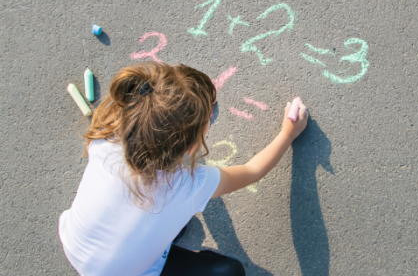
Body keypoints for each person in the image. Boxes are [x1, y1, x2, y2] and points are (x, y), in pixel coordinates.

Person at [58, 61, 308, 276]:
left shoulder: (107, 135)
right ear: (190, 147)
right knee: (229, 271)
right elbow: (253, 170)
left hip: (76, 245)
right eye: (207, 122)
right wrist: (288, 133)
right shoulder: (187, 185)